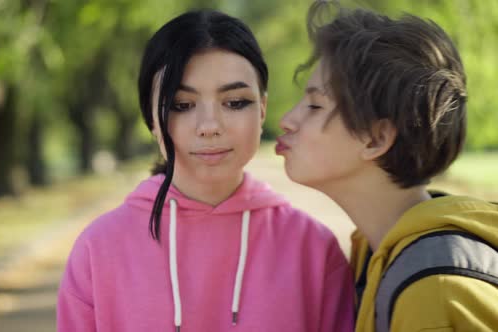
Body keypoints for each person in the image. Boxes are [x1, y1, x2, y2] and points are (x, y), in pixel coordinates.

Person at [57, 9, 354, 332]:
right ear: (152, 120)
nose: (210, 126)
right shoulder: (98, 249)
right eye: (182, 105)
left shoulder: (313, 249)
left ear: (262, 109)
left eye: (235, 102)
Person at [277, 2, 498, 332]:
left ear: (376, 138)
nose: (286, 121)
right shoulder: (373, 253)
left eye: (314, 105)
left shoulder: (435, 286)